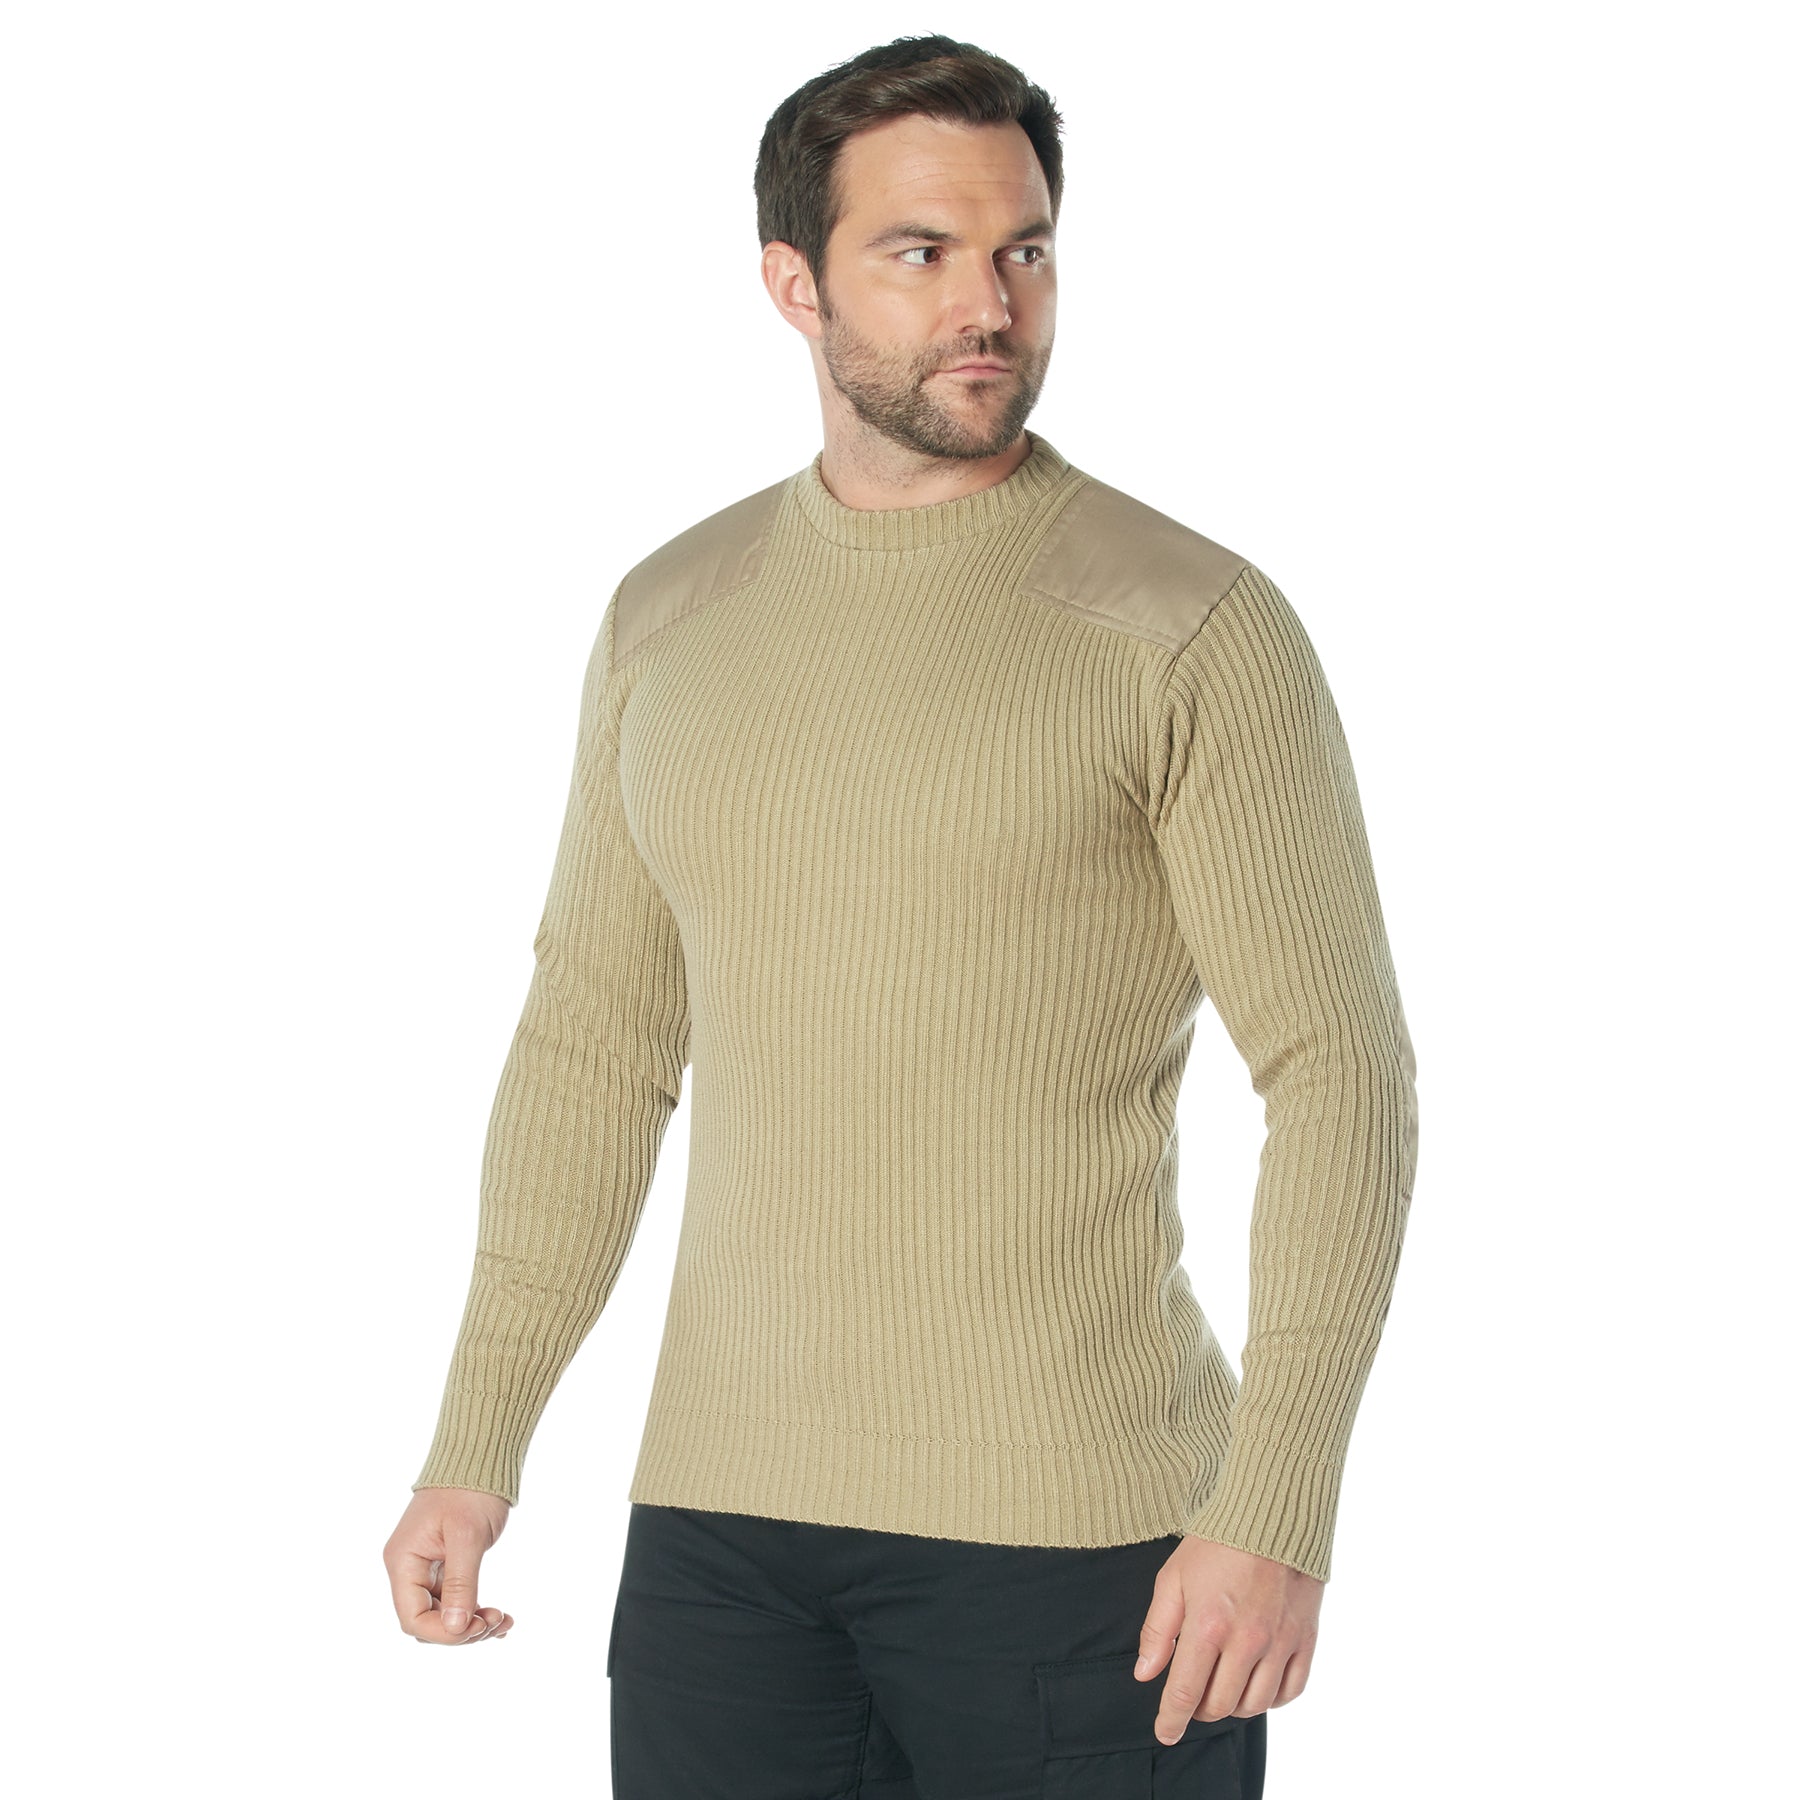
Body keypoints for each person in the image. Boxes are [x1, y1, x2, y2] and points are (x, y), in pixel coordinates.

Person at [383, 33, 1418, 1799]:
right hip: (721, 1537)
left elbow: (1340, 1076)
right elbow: (594, 1047)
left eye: (1025, 250)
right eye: (920, 253)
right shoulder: (672, 616)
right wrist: (476, 1444)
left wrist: (1278, 1505)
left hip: (1087, 1544)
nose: (988, 306)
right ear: (793, 283)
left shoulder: (1187, 624)